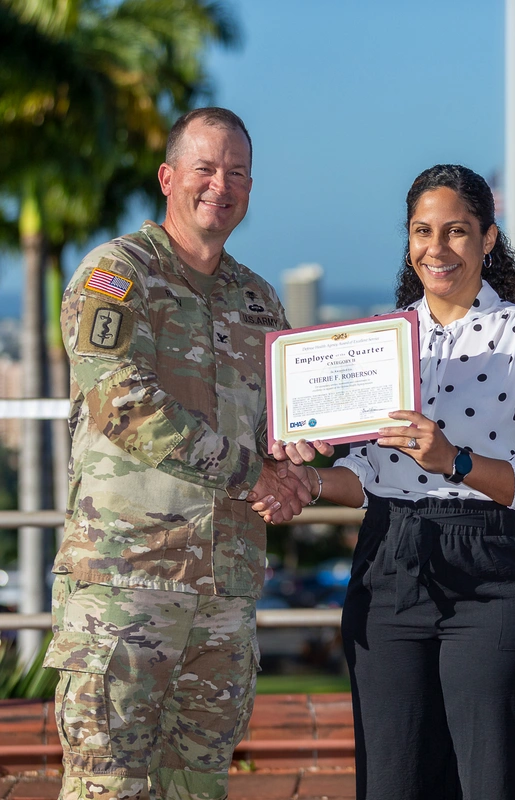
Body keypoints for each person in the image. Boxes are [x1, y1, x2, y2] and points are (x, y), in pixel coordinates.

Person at [258, 164, 515, 800]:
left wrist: (456, 461)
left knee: (497, 778)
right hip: (391, 560)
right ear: (409, 240)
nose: (438, 248)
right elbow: (364, 475)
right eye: (423, 231)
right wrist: (303, 485)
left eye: (457, 231)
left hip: (500, 569)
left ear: (489, 238)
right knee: (393, 778)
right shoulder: (378, 341)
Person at [44, 107, 310, 800]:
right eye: (205, 168)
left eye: (238, 173)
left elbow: (285, 419)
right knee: (110, 786)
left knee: (198, 787)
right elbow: (124, 404)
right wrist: (261, 475)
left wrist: (304, 456)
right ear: (169, 177)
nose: (221, 185)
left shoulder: (258, 300)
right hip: (128, 591)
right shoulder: (116, 275)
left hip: (226, 593)